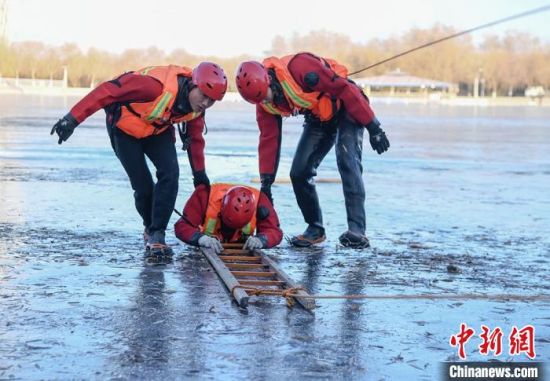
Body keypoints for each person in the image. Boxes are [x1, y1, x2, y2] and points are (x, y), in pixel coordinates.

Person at [50, 63, 227, 256]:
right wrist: (72, 119)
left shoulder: (196, 110)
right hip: (124, 130)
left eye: (212, 101)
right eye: (203, 96)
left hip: (156, 130)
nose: (205, 103)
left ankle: (157, 234)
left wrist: (200, 176)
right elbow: (107, 90)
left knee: (170, 174)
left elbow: (195, 141)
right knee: (143, 186)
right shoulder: (153, 87)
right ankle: (149, 227)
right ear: (193, 84)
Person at [235, 52, 390, 249]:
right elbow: (269, 140)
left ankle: (357, 230)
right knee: (299, 172)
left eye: (268, 96)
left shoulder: (302, 67)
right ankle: (315, 228)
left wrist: (374, 127)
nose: (268, 102)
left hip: (347, 105)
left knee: (346, 159)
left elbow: (345, 89)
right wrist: (266, 183)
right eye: (262, 101)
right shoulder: (264, 104)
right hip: (319, 116)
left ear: (270, 81)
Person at [174, 183, 282, 253]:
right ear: (221, 209)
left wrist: (261, 240)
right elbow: (182, 226)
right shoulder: (205, 195)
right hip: (210, 241)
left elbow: (274, 231)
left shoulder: (260, 200)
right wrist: (200, 238)